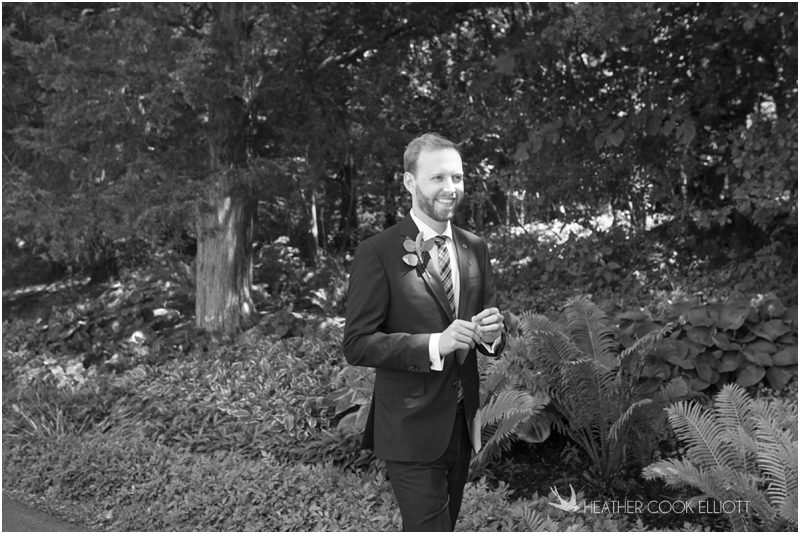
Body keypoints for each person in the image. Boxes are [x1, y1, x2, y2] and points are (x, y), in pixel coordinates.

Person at [342, 132, 506, 531]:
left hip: (461, 423)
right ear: (410, 182)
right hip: (409, 428)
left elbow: (488, 329)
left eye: (457, 177)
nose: (451, 188)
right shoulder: (377, 252)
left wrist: (492, 335)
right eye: (438, 178)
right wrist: (435, 344)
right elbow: (357, 344)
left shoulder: (474, 247)